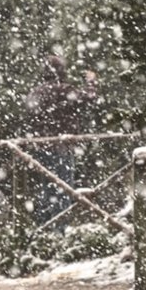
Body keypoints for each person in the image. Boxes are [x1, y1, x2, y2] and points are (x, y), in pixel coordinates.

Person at [24, 55, 97, 224]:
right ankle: (60, 230)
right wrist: (91, 81)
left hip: (41, 146)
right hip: (61, 146)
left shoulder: (36, 92)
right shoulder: (63, 90)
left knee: (47, 188)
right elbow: (89, 98)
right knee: (63, 189)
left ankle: (44, 229)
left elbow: (29, 115)